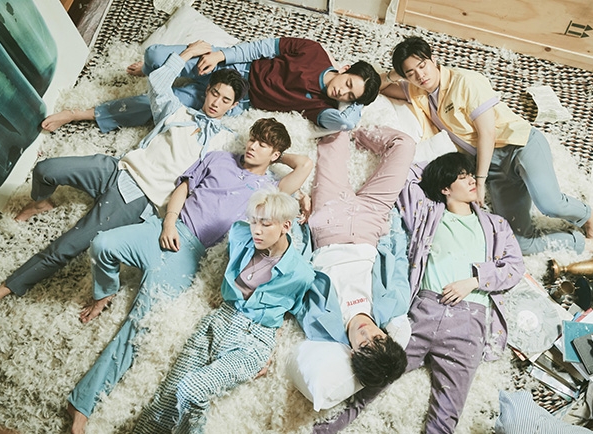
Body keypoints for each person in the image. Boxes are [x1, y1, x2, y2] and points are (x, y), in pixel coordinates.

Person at [0, 49, 249, 329]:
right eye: (215, 93)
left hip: (139, 198)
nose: (216, 102)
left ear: (233, 106)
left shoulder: (225, 142)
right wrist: (187, 53)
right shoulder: (176, 110)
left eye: (225, 100)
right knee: (46, 169)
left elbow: (254, 165)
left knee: (65, 247)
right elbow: (158, 81)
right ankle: (41, 202)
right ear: (207, 91)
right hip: (116, 168)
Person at [67, 119, 313, 434]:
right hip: (165, 228)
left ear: (275, 155)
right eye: (253, 139)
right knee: (102, 244)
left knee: (140, 322)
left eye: (262, 145)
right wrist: (169, 222)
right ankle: (105, 292)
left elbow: (305, 164)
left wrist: (276, 158)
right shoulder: (218, 158)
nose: (252, 146)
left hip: (191, 255)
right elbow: (183, 188)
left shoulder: (269, 190)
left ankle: (82, 403)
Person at [314, 148, 525, 434]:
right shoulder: (426, 211)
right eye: (462, 177)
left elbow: (515, 267)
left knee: (447, 412)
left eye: (470, 175)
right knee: (373, 381)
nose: (472, 180)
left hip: (469, 322)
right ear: (445, 188)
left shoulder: (496, 225)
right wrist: (440, 170)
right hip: (423, 311)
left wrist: (474, 281)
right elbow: (408, 173)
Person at [380, 36, 593, 268]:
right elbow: (377, 87)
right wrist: (395, 75)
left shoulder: (466, 81)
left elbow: (488, 133)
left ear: (433, 59)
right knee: (521, 241)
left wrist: (480, 181)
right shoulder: (416, 90)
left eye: (422, 66)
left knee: (549, 204)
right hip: (495, 169)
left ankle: (589, 217)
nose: (420, 75)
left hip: (518, 145)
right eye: (411, 73)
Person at [130, 188, 315, 434]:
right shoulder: (239, 234)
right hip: (219, 321)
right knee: (166, 400)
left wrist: (269, 348)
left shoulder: (302, 273)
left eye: (265, 224)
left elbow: (288, 310)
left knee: (192, 390)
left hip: (253, 341)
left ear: (286, 226)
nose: (257, 230)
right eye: (254, 221)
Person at [42, 38, 381, 132]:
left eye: (350, 96)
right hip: (234, 64)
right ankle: (150, 70)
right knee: (156, 54)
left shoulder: (321, 107)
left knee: (159, 107)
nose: (342, 92)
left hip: (237, 97)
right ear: (345, 68)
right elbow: (262, 47)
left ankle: (80, 114)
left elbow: (345, 124)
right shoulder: (313, 52)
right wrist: (220, 54)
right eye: (348, 83)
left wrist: (354, 105)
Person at [297, 126, 416, 388]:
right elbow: (399, 260)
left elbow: (296, 277)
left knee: (334, 134)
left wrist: (300, 223)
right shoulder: (395, 305)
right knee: (404, 144)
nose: (367, 333)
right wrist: (390, 224)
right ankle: (360, 132)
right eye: (378, 338)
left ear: (352, 353)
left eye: (364, 345)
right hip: (372, 222)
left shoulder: (319, 325)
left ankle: (345, 127)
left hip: (328, 223)